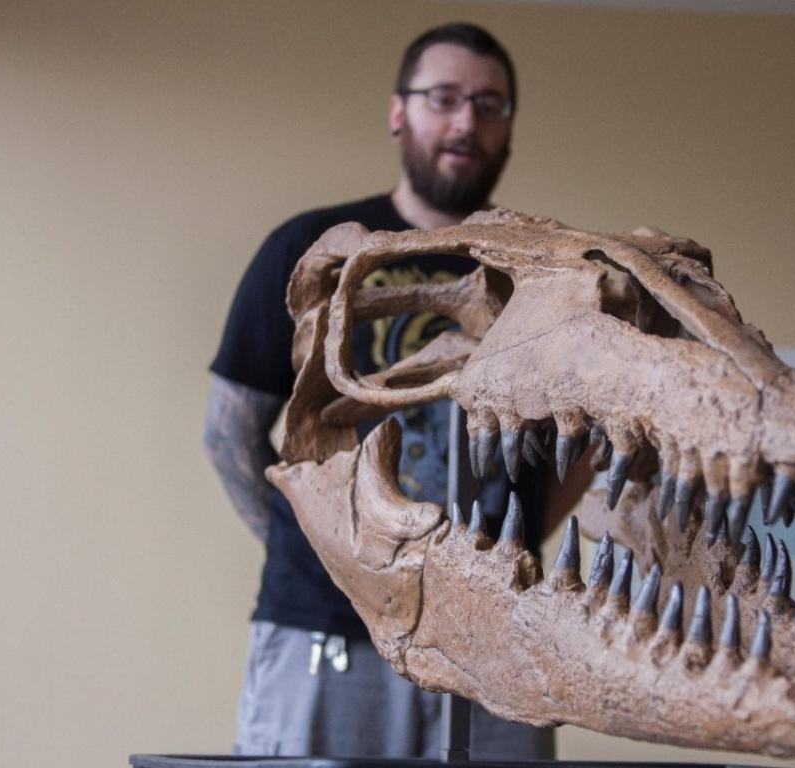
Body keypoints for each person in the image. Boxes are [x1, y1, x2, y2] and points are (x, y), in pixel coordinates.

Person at [202, 23, 556, 759]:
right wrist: (332, 559)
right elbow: (228, 433)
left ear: (510, 128)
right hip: (327, 641)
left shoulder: (541, 278)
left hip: (493, 644)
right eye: (445, 99)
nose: (467, 122)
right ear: (400, 112)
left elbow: (575, 443)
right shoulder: (309, 251)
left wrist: (505, 556)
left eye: (490, 105)